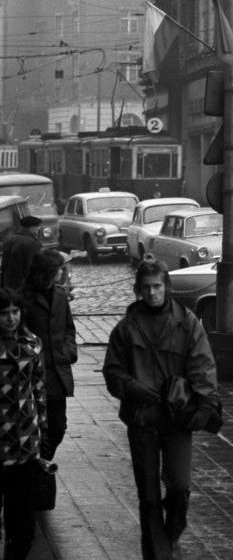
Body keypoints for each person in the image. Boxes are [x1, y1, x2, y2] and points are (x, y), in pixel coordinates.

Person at [103, 258, 219, 560]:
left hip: (176, 418)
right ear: (138, 291)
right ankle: (157, 554)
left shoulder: (187, 322)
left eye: (157, 286)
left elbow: (203, 366)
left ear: (166, 287)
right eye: (146, 288)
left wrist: (201, 402)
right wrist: (133, 388)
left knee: (179, 487)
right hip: (142, 419)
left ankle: (171, 533)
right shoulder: (126, 329)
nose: (152, 293)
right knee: (149, 495)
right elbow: (113, 373)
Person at [0, 285, 49, 560]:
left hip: (24, 442)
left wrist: (43, 431)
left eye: (15, 311)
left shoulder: (32, 345)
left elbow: (39, 389)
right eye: (4, 313)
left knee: (22, 521)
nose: (11, 318)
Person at [19, 249, 76, 460]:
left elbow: (69, 329)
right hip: (34, 374)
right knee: (36, 425)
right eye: (58, 270)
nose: (62, 274)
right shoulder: (25, 299)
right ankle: (39, 464)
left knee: (58, 426)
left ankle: (42, 461)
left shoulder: (61, 296)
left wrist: (68, 351)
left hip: (58, 371)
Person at [0, 214, 43, 291]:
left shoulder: (9, 239)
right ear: (31, 227)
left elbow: (4, 263)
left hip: (7, 283)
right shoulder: (33, 243)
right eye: (37, 226)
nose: (38, 229)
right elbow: (34, 266)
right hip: (23, 286)